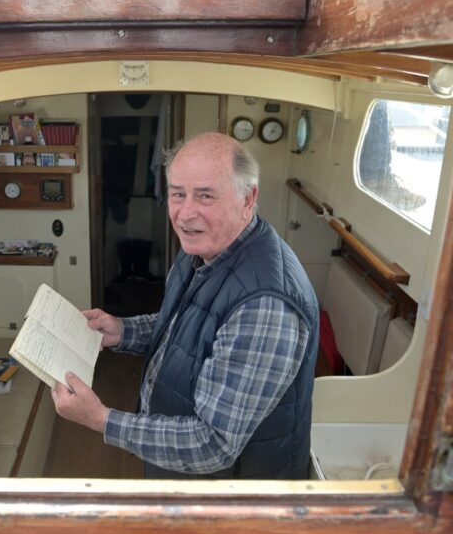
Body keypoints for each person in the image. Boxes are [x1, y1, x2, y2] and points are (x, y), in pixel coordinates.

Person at [51, 132, 319, 479]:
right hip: (187, 475)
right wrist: (122, 331)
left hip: (229, 502)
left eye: (205, 196)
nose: (185, 213)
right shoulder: (206, 247)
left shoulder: (265, 303)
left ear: (247, 198)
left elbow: (213, 443)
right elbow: (187, 326)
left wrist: (101, 419)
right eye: (178, 194)